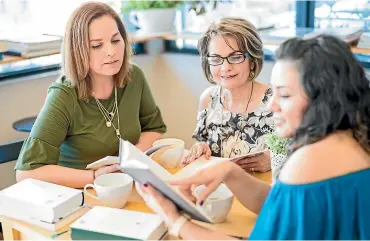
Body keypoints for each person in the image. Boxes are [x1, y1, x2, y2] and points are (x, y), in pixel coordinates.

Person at [138, 34, 370, 239]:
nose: (271, 105)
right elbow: (280, 206)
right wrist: (230, 172)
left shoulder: (309, 161)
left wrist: (175, 221)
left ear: (323, 99)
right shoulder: (354, 141)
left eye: (285, 95)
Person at [15, 2, 166, 188]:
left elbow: (154, 128)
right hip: (80, 194)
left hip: (126, 186)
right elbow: (26, 172)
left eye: (115, 40)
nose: (111, 52)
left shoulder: (134, 77)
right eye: (96, 46)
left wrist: (129, 159)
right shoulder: (64, 96)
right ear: (78, 50)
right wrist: (95, 177)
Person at [184, 17, 274, 173]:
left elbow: (301, 155)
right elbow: (202, 143)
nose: (225, 67)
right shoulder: (208, 99)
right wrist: (200, 149)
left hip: (261, 192)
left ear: (253, 60)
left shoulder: (275, 102)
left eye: (236, 57)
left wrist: (274, 159)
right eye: (216, 59)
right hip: (218, 192)